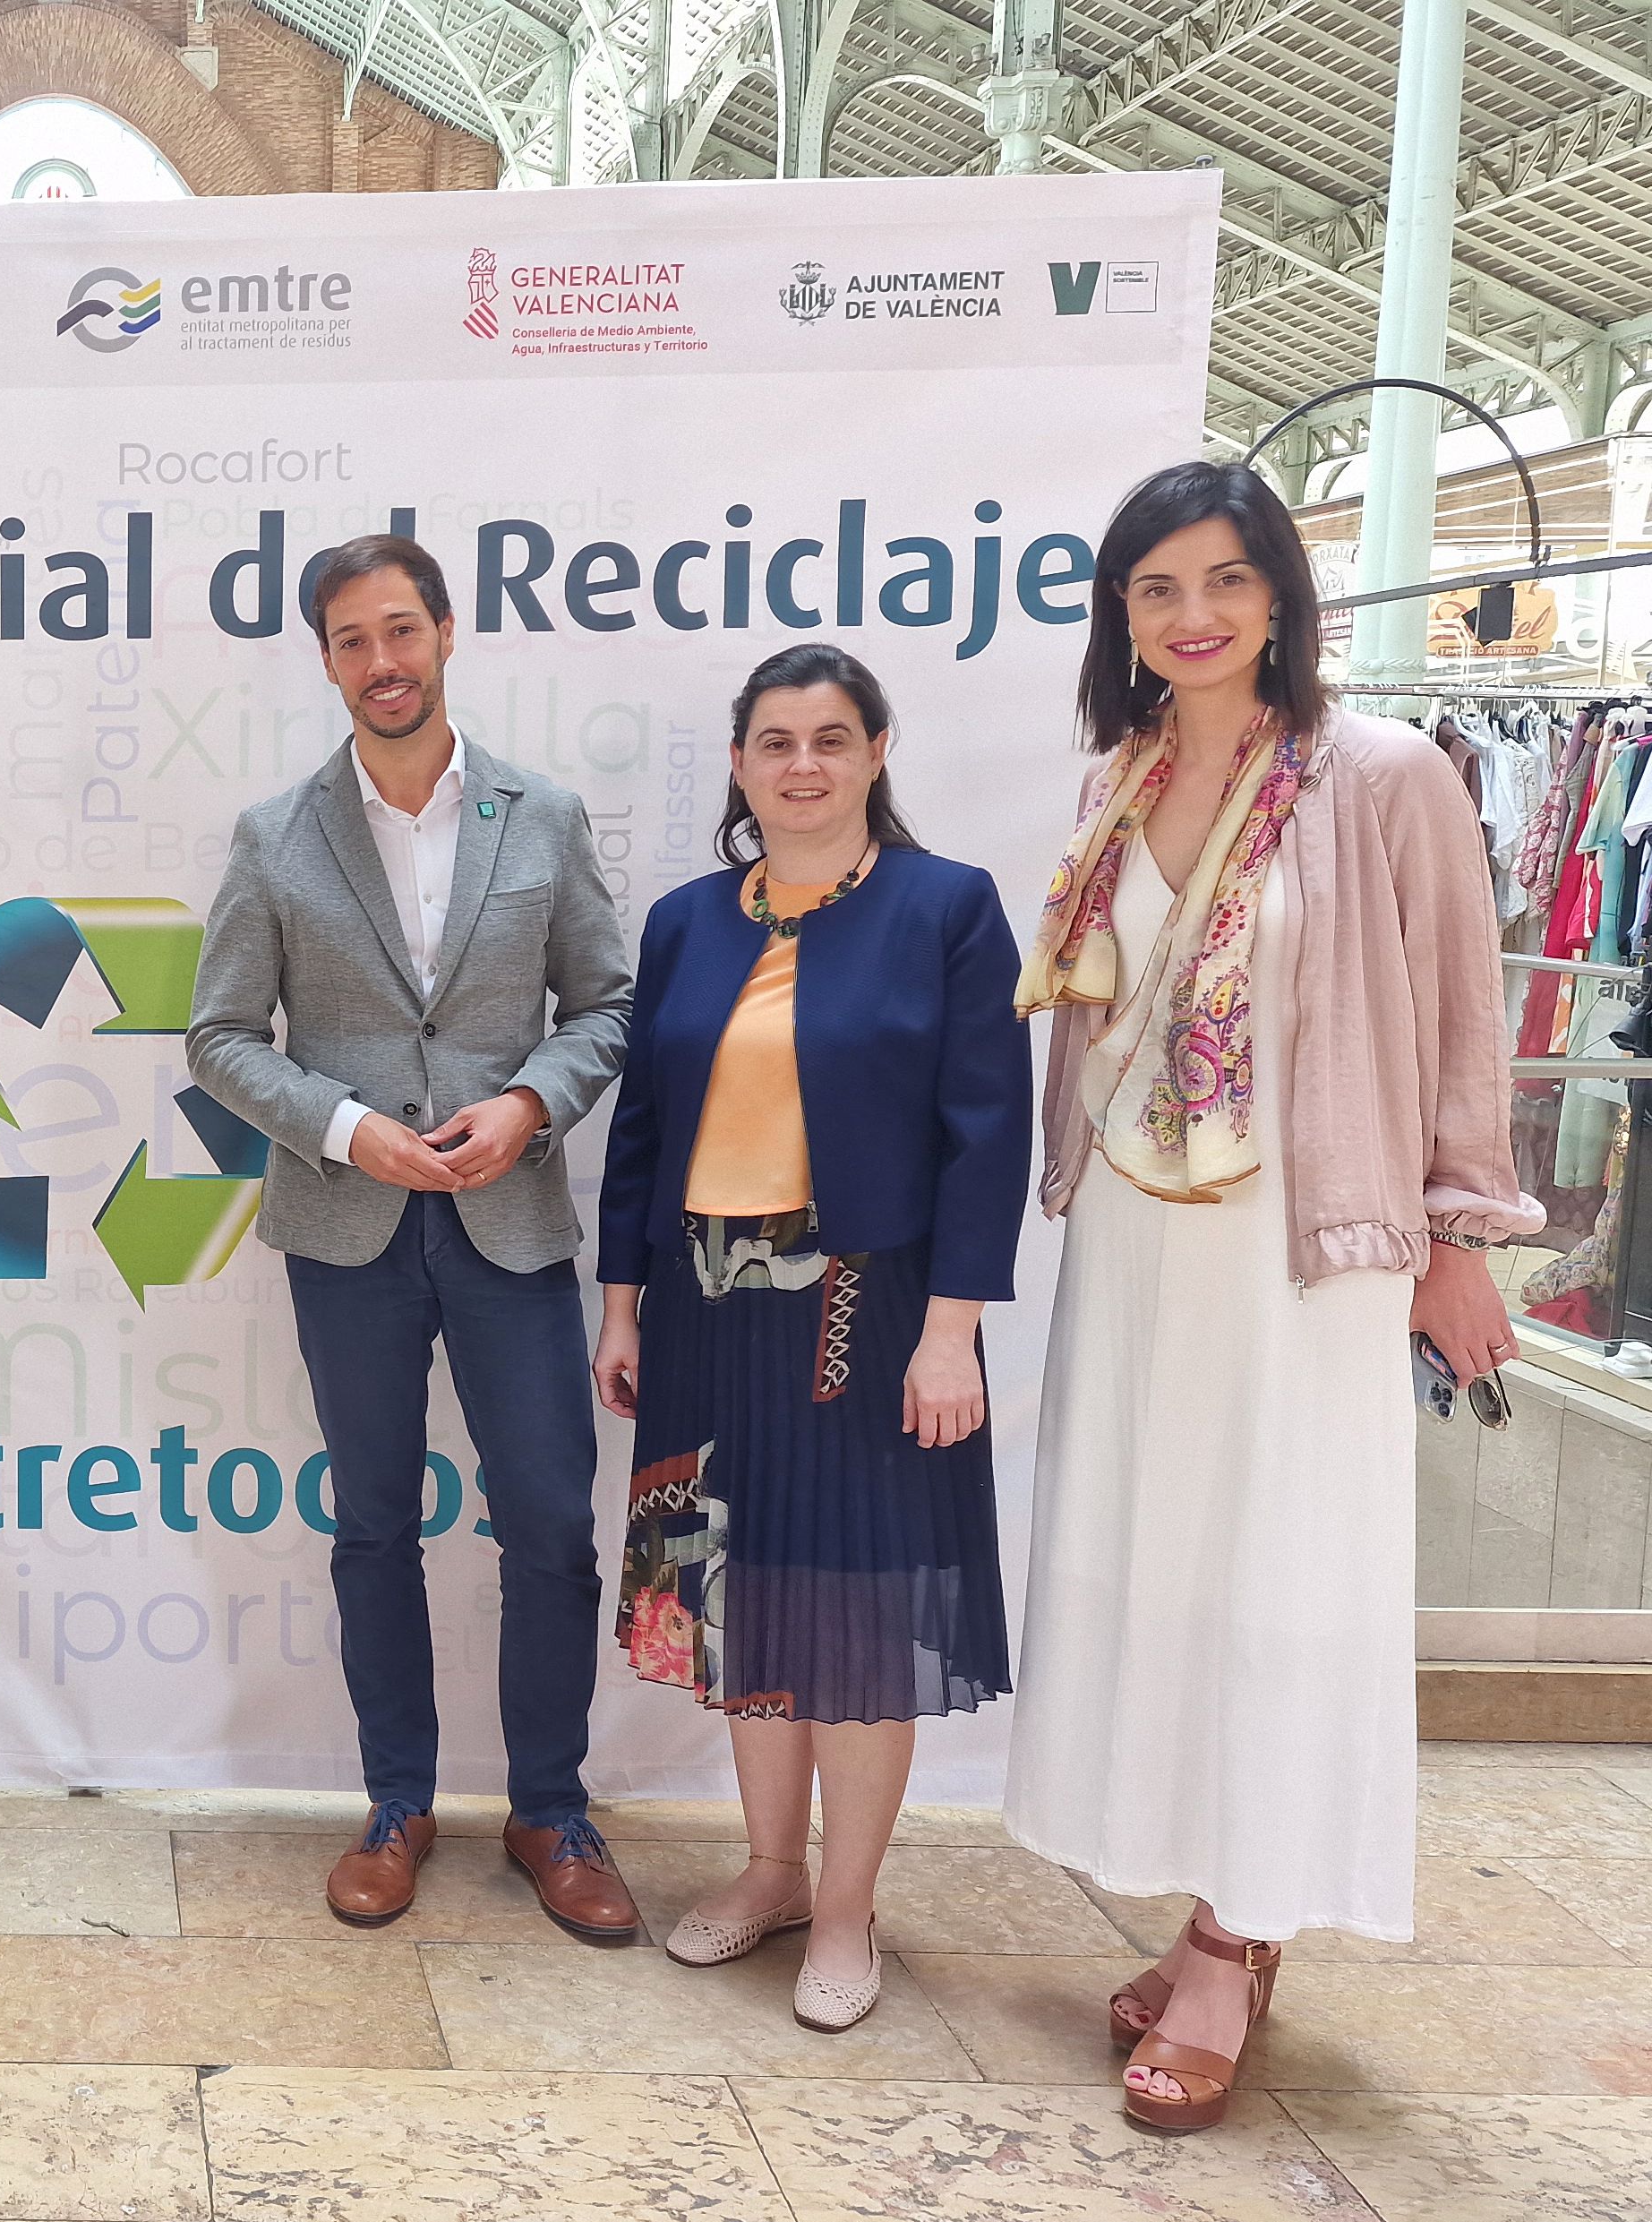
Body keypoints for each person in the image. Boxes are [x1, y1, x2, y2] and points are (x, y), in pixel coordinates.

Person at [1004, 460, 1537, 2132]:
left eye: (1226, 579)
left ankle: (1240, 1941)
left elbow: (1464, 1014)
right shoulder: (1124, 769)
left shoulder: (1384, 777)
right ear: (1123, 618)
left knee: (1286, 1575)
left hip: (1307, 1258)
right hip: (1144, 1246)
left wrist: (1455, 1235)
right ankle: (1213, 1894)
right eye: (1156, 589)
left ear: (1284, 595)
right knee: (1168, 1574)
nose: (1194, 616)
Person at [188, 532, 638, 1936]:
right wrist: (340, 1126)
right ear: (325, 660)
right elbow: (217, 1038)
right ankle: (396, 1804)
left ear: (448, 632)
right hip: (349, 1227)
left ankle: (553, 1813)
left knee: (554, 1523)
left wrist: (528, 1105)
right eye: (350, 641)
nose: (381, 662)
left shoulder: (544, 816)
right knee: (374, 1528)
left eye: (401, 630)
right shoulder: (277, 834)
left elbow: (608, 1009)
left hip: (512, 1222)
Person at [591, 643, 1032, 2032]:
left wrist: (951, 1330)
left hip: (870, 1309)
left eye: (830, 739)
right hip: (704, 1307)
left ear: (878, 751)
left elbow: (986, 1134)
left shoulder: (946, 909)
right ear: (739, 764)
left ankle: (849, 1909)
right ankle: (772, 1870)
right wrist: (623, 1302)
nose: (801, 765)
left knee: (857, 1618)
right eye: (774, 741)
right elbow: (643, 1130)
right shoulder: (684, 921)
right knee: (733, 1604)